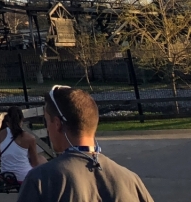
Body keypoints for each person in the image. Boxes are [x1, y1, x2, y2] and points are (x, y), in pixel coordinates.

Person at [16, 86, 153, 202]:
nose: (47, 129)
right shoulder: (131, 180)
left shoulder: (41, 180)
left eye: (47, 121)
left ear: (57, 124)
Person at [0, 106, 41, 182]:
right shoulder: (29, 138)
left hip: (6, 175)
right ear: (22, 120)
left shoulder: (2, 134)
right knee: (42, 160)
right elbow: (35, 163)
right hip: (24, 177)